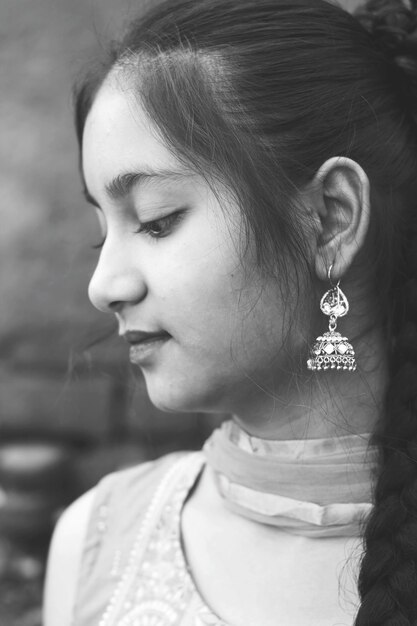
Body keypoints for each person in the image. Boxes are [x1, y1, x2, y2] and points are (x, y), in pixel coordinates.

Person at [43, 0, 417, 624]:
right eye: (99, 233)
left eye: (156, 221)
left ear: (330, 219)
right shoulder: (99, 542)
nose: (103, 285)